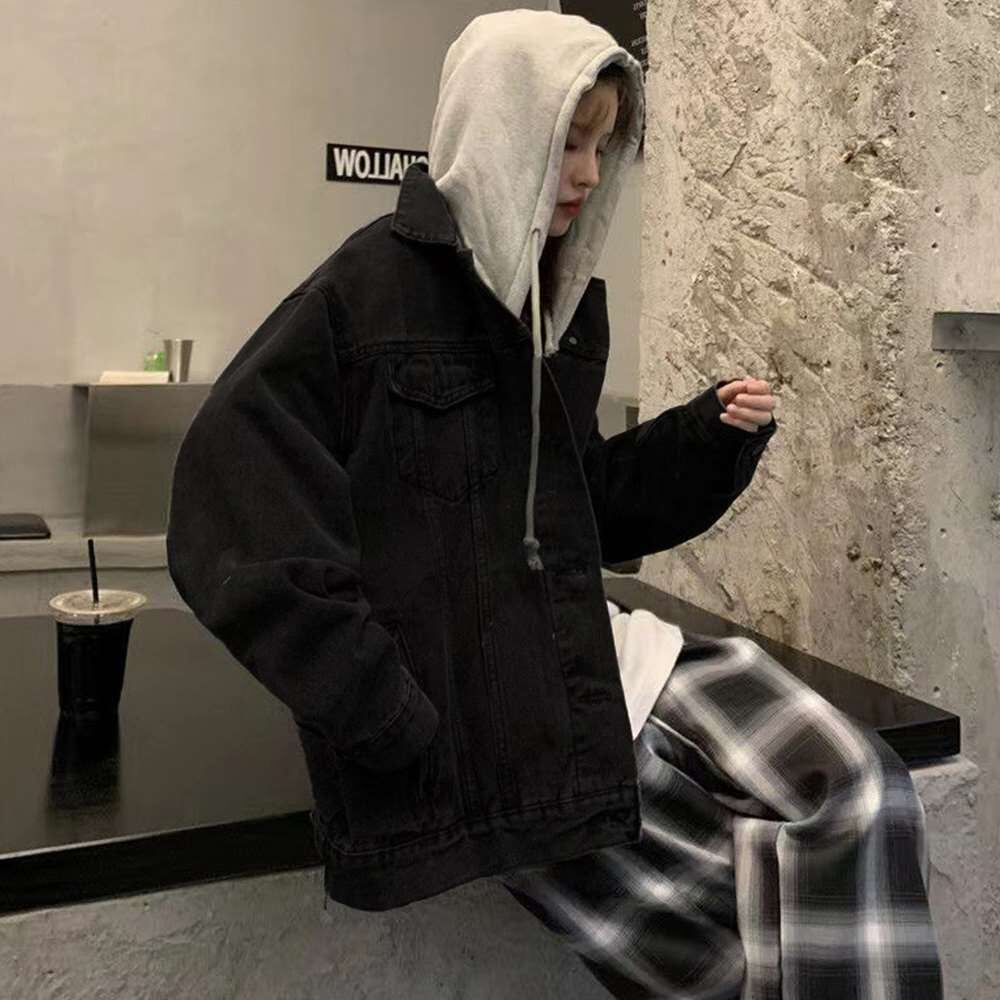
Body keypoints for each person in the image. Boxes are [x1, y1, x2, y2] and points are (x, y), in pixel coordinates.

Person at [166, 9, 942, 998]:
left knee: (866, 789)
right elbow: (229, 503)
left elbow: (584, 508)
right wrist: (381, 708)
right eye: (567, 141)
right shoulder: (361, 298)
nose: (585, 173)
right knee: (731, 951)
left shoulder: (553, 303)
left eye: (602, 145)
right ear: (499, 128)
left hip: (598, 658)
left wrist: (702, 439)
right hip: (487, 731)